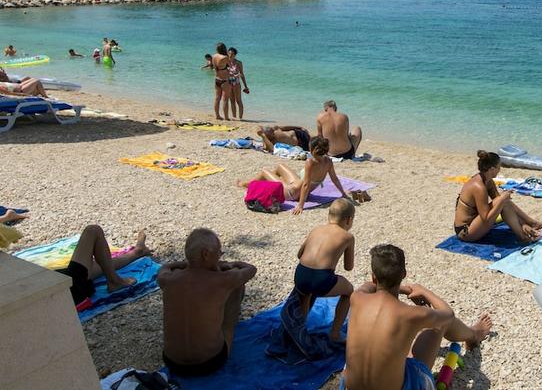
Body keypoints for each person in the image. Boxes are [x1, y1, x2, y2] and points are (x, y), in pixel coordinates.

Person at [341, 244, 492, 390]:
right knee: (440, 324)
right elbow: (448, 314)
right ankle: (473, 335)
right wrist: (423, 291)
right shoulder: (411, 314)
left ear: (374, 276)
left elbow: (368, 285)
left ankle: (472, 335)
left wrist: (403, 289)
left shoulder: (357, 298)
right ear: (404, 274)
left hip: (350, 387)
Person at [157, 228, 257, 377]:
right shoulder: (224, 280)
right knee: (237, 287)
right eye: (219, 252)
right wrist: (229, 265)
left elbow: (165, 267)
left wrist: (188, 263)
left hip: (172, 363)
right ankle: (227, 327)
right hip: (209, 363)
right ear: (206, 254)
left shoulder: (167, 280)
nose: (220, 255)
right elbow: (250, 269)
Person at [237, 136, 361, 215]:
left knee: (264, 171)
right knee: (280, 166)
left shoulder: (310, 162)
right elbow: (334, 179)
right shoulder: (328, 161)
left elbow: (306, 184)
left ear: (312, 149)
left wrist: (300, 205)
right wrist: (343, 193)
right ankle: (267, 185)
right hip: (295, 186)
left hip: (291, 192)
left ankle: (247, 185)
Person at [454, 150, 542, 243]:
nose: (499, 170)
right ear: (492, 169)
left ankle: (532, 224)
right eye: (498, 167)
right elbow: (486, 218)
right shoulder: (479, 187)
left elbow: (503, 204)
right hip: (465, 231)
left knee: (504, 201)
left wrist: (523, 224)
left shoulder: (488, 181)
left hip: (475, 223)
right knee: (502, 200)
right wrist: (502, 199)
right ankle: (524, 236)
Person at [294, 198, 356, 340]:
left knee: (306, 295)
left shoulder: (316, 230)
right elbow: (348, 267)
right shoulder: (347, 237)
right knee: (349, 291)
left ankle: (299, 331)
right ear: (349, 220)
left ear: (329, 215)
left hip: (300, 275)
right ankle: (334, 333)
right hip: (321, 279)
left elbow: (299, 255)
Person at [56, 225, 150, 307]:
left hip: (58, 283)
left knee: (104, 264)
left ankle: (137, 252)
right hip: (67, 288)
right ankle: (114, 281)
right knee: (93, 230)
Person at [226, 47, 250, 120]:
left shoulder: (238, 63)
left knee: (238, 100)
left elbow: (242, 74)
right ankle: (234, 117)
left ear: (235, 55)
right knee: (232, 100)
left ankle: (240, 117)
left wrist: (245, 86)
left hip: (236, 84)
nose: (230, 55)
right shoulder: (225, 62)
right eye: (229, 53)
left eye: (232, 54)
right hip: (228, 84)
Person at [211, 43, 231, 120]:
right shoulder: (225, 57)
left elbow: (215, 68)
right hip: (225, 80)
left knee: (217, 98)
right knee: (225, 99)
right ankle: (226, 117)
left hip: (217, 79)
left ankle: (217, 116)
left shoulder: (213, 56)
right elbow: (231, 66)